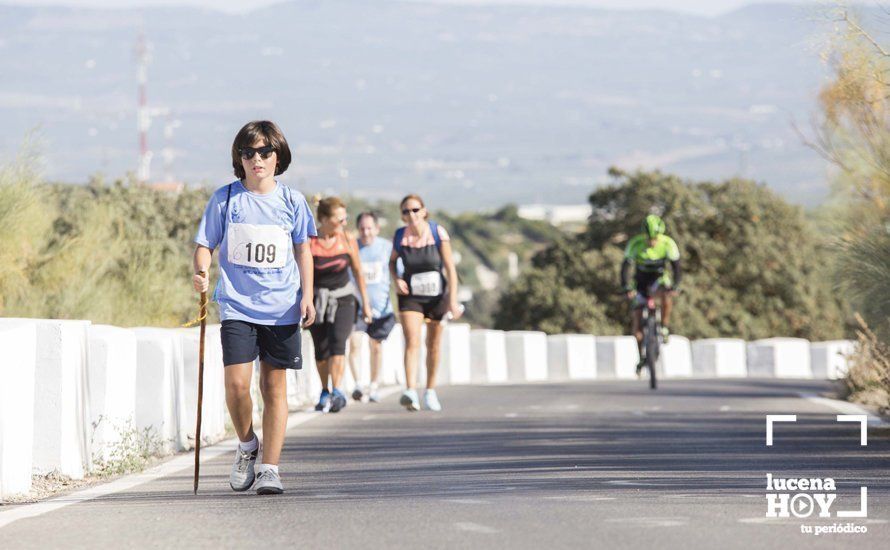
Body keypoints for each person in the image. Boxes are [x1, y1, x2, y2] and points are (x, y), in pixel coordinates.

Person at [193, 120, 316, 495]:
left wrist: (307, 295)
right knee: (236, 384)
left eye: (265, 152)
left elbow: (303, 250)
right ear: (239, 158)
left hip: (281, 308)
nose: (257, 159)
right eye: (248, 153)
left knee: (273, 386)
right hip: (236, 305)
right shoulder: (225, 198)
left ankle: (270, 468)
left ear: (278, 157)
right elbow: (204, 244)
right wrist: (200, 271)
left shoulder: (292, 201)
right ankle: (248, 445)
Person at [389, 194, 462, 412]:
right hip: (411, 295)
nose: (410, 215)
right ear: (402, 216)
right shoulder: (400, 236)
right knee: (412, 339)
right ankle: (410, 390)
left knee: (433, 345)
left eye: (414, 210)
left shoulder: (437, 233)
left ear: (424, 211)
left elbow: (450, 268)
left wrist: (453, 300)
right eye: (405, 211)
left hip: (437, 296)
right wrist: (397, 279)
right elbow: (391, 262)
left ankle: (430, 390)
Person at [309, 197, 373, 413]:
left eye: (345, 218)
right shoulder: (310, 241)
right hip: (318, 300)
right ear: (325, 219)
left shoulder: (347, 239)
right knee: (321, 348)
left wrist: (366, 303)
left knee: (338, 343)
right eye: (340, 219)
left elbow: (358, 272)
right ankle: (324, 390)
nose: (344, 223)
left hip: (345, 299)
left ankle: (337, 391)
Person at [620, 214, 681, 374]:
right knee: (637, 320)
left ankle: (665, 326)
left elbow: (676, 267)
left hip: (658, 280)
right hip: (640, 283)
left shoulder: (667, 243)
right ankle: (641, 356)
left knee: (666, 293)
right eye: (648, 238)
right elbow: (625, 268)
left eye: (654, 238)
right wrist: (626, 287)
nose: (651, 242)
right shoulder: (635, 244)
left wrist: (676, 285)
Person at [347, 211, 397, 403]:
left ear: (377, 229)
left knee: (376, 347)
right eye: (362, 229)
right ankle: (359, 384)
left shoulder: (386, 248)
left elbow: (395, 272)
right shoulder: (353, 247)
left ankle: (374, 385)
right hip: (356, 307)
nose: (366, 232)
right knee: (355, 343)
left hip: (381, 308)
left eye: (369, 228)